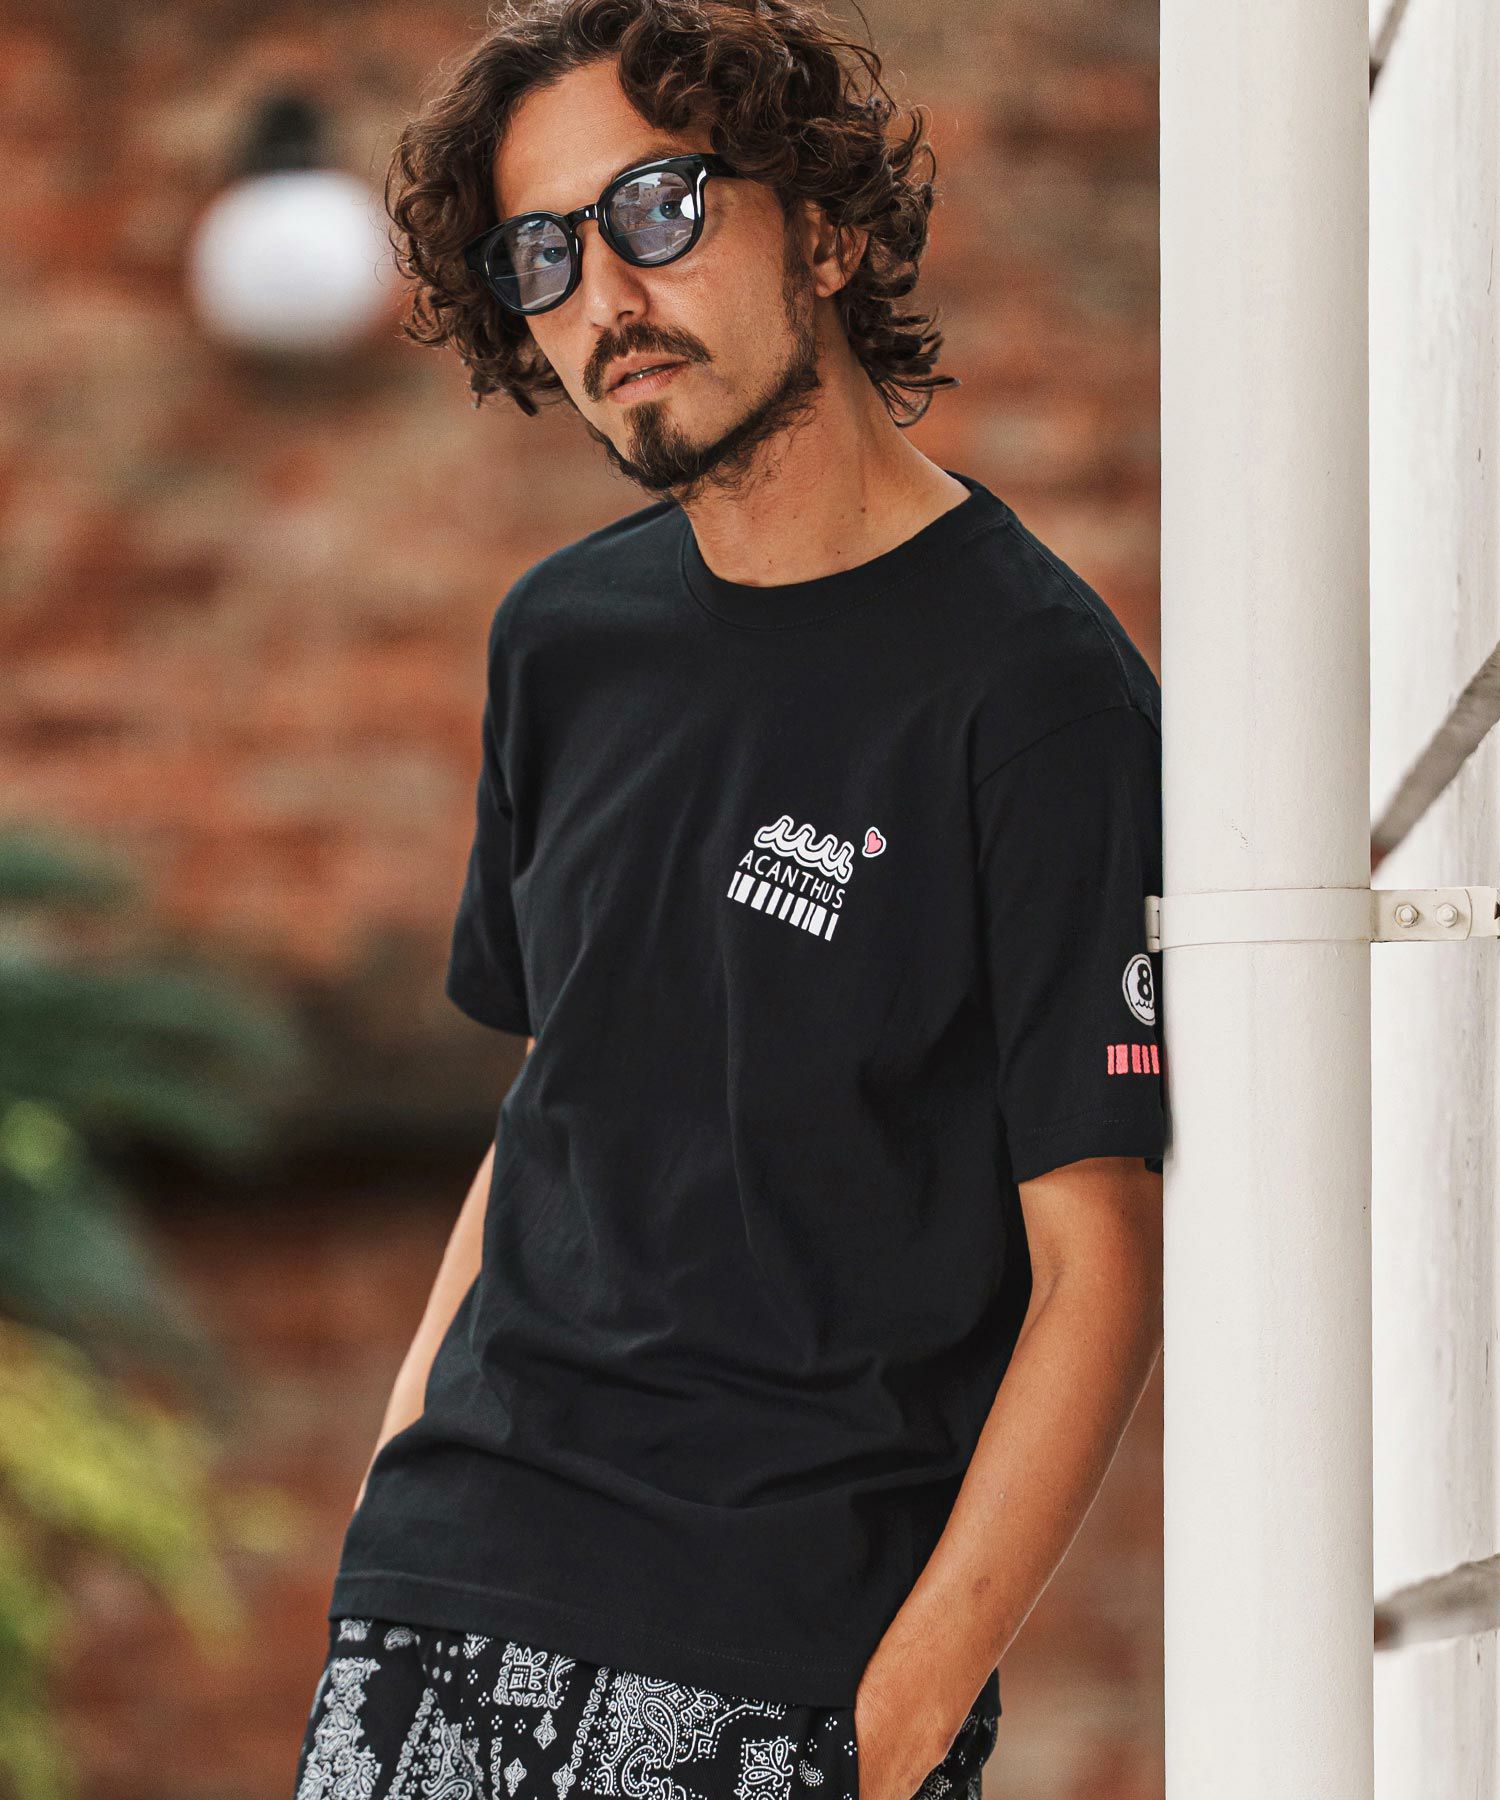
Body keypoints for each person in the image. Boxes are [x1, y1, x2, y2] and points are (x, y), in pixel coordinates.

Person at [293, 1, 1169, 1796]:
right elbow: (554, 1102)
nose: (605, 296)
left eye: (658, 209)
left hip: (779, 1666)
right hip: (442, 1605)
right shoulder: (562, 643)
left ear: (825, 232)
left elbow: (1101, 1262)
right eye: (544, 255)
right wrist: (402, 1470)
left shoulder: (1036, 691)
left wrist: (901, 1720)